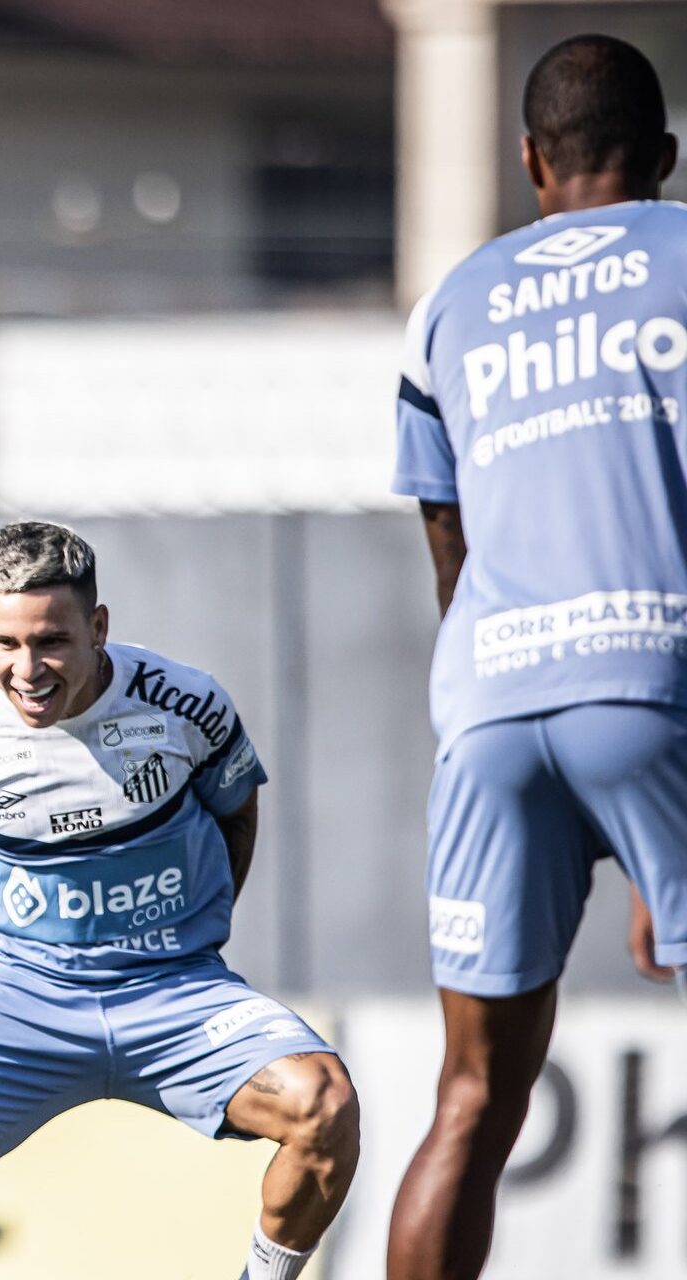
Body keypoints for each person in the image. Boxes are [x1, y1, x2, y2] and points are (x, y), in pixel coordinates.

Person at [0, 522, 358, 1280]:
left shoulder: (187, 706)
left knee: (325, 1106)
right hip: (18, 998)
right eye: (5, 644)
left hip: (173, 986)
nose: (28, 670)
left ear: (98, 627)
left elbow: (237, 814)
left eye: (51, 641)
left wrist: (198, 937)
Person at [386, 34, 687, 1280]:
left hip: (493, 709)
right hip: (656, 677)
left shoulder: (449, 304)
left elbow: (444, 545)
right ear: (664, 160)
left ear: (527, 161)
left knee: (468, 1099)